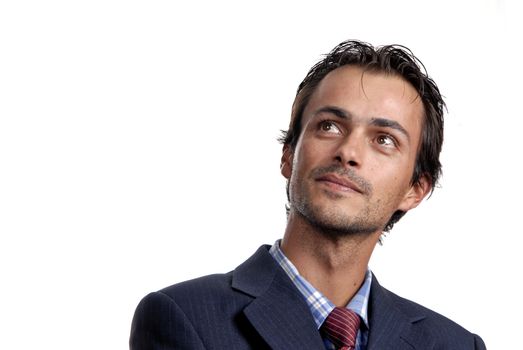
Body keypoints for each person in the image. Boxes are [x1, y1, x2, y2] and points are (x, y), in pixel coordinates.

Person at [130, 40, 486, 349]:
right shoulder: (185, 316)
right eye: (329, 126)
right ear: (289, 155)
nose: (348, 152)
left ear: (415, 189)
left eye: (384, 140)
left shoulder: (455, 344)